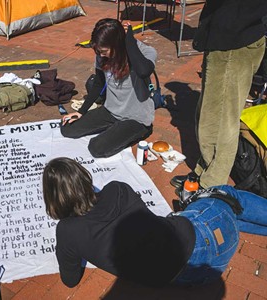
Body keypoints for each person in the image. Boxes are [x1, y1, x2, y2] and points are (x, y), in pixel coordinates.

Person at [42, 157, 267, 288]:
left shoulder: (67, 231)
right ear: (84, 177)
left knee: (229, 212)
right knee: (226, 194)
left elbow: (70, 280)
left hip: (196, 275)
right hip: (203, 235)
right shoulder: (116, 189)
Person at [171, 1, 267, 190]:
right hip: (233, 36)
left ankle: (211, 184)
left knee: (219, 119)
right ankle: (205, 171)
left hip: (233, 41)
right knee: (213, 112)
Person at [60, 19, 156, 158]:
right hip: (111, 111)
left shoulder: (144, 51)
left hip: (136, 118)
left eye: (104, 51)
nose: (100, 55)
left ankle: (141, 131)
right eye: (98, 51)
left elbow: (143, 70)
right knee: (68, 129)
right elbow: (99, 83)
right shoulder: (102, 55)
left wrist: (128, 37)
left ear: (117, 44)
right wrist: (81, 112)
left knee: (96, 148)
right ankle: (116, 129)